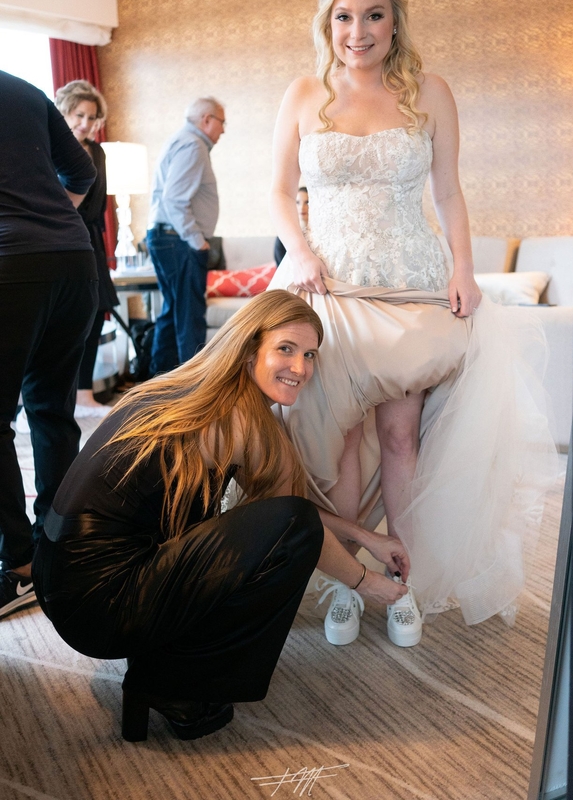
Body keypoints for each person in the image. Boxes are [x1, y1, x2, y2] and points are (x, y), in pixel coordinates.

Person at [269, 0, 557, 647]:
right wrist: (298, 250)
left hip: (411, 289)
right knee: (338, 444)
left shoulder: (430, 92)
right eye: (344, 17)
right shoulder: (303, 93)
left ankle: (406, 583)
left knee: (401, 439)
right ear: (328, 22)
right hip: (329, 291)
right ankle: (347, 580)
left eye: (373, 15)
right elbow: (277, 191)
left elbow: (449, 192)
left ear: (395, 21)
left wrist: (465, 269)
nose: (358, 31)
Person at [32, 290, 409, 741]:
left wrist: (366, 537)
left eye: (309, 354)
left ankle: (161, 662)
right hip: (100, 605)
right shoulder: (237, 418)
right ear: (249, 349)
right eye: (285, 349)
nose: (300, 367)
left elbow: (284, 508)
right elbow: (295, 524)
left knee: (274, 524)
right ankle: (177, 686)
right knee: (291, 533)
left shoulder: (187, 390)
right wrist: (367, 584)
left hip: (60, 579)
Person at [0, 70, 98, 619]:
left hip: (12, 267)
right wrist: (46, 222)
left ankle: (19, 567)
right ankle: (58, 552)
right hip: (73, 260)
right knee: (52, 413)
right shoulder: (22, 88)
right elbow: (81, 171)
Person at [146, 97, 225, 376]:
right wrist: (197, 241)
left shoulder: (181, 140)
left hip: (167, 238)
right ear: (206, 119)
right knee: (190, 317)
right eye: (222, 122)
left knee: (173, 313)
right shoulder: (193, 145)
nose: (223, 130)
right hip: (178, 241)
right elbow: (174, 199)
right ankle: (194, 389)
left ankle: (159, 385)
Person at [55, 80, 119, 417]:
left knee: (94, 315)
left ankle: (84, 395)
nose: (86, 123)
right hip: (61, 240)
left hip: (91, 240)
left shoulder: (98, 152)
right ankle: (57, 398)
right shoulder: (51, 147)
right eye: (79, 115)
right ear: (64, 113)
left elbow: (99, 204)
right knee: (64, 321)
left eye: (92, 117)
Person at [274, 186, 309, 266]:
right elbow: (279, 264)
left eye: (307, 202)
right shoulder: (283, 235)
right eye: (298, 202)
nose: (302, 207)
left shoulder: (319, 235)